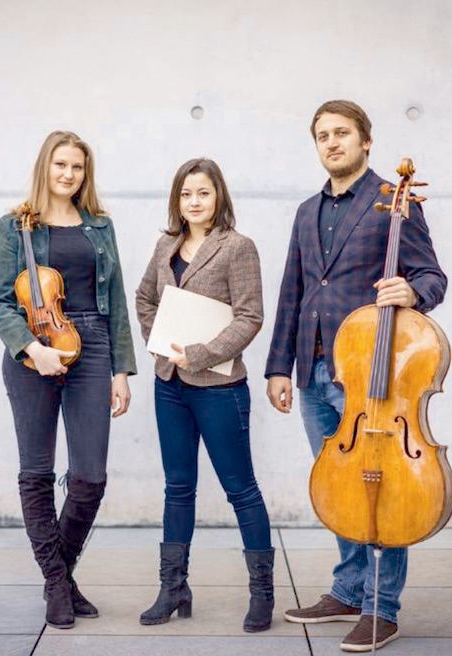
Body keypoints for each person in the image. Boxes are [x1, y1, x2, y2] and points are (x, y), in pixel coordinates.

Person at [265, 100, 447, 652]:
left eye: (341, 133)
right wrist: (279, 367)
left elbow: (431, 275)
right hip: (315, 367)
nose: (332, 142)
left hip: (374, 380)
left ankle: (380, 607)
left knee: (386, 492)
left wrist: (412, 291)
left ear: (366, 141)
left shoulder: (394, 203)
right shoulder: (305, 211)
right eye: (322, 135)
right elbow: (292, 292)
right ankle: (347, 590)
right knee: (341, 486)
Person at [0, 130, 137, 629]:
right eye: (61, 165)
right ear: (44, 167)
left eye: (77, 167)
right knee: (37, 473)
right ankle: (57, 583)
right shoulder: (15, 226)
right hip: (32, 352)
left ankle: (59, 574)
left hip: (91, 346)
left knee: (90, 477)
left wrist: (120, 370)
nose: (69, 174)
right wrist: (33, 349)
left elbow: (114, 302)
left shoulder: (100, 226)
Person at [135, 157, 274, 633]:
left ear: (219, 197)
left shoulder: (238, 247)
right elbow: (145, 298)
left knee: (241, 489)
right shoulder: (164, 245)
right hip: (169, 386)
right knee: (178, 488)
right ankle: (173, 588)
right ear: (177, 200)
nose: (194, 202)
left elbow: (250, 317)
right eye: (186, 194)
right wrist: (163, 341)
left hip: (219, 388)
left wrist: (197, 353)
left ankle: (262, 593)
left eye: (204, 193)